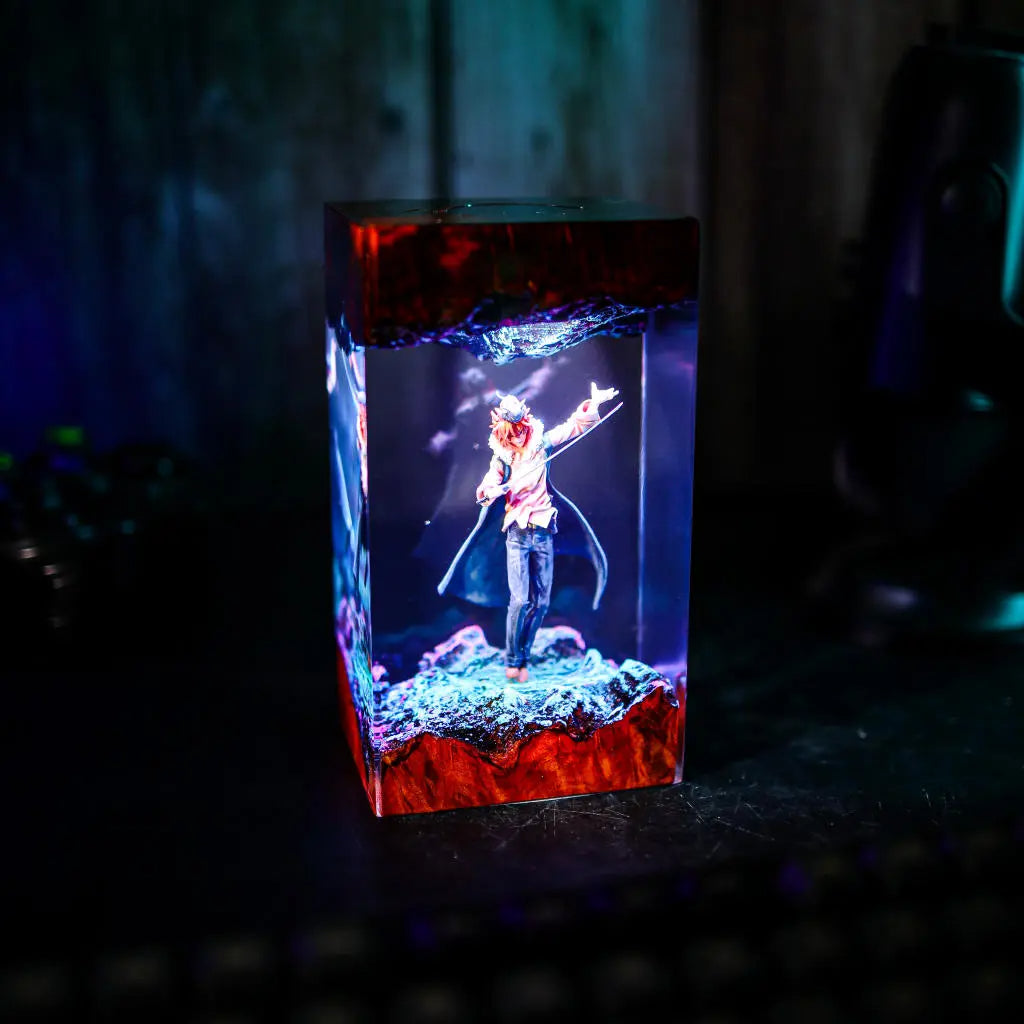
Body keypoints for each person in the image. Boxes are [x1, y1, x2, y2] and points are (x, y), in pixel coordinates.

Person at [474, 382, 619, 682]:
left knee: (541, 604)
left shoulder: (540, 443)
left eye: (521, 427)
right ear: (504, 430)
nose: (518, 434)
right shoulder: (502, 457)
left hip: (543, 531)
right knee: (519, 601)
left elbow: (571, 427)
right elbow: (488, 484)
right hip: (517, 534)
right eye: (512, 429)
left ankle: (524, 657)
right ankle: (513, 660)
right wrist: (490, 490)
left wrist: (592, 404)